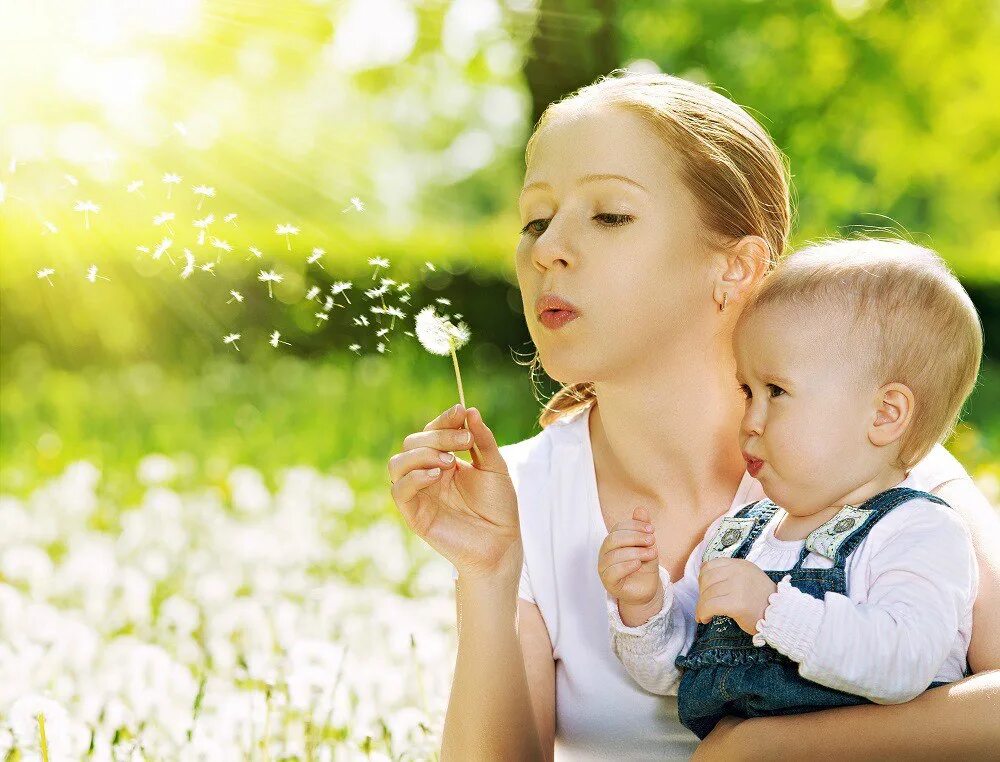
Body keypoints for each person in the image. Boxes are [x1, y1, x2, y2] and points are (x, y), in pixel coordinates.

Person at [386, 70, 1000, 760]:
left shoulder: (877, 471)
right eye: (535, 218)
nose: (546, 248)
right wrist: (490, 576)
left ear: (735, 267)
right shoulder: (522, 499)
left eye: (610, 214)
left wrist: (759, 751)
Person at [600, 239, 980, 740]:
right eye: (746, 391)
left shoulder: (919, 530)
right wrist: (645, 606)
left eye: (776, 392)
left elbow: (903, 662)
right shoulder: (739, 536)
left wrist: (772, 610)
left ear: (885, 414)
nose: (750, 420)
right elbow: (677, 672)